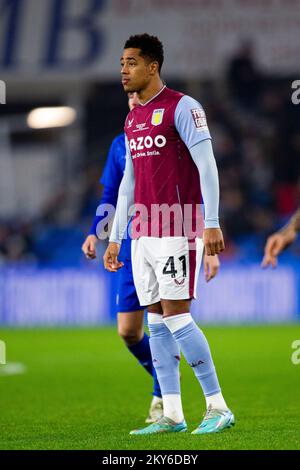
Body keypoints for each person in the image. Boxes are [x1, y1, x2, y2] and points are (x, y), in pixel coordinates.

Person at [103, 34, 234, 435]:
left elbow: (207, 166)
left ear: (152, 66)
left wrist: (211, 221)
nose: (123, 70)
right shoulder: (132, 118)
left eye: (131, 63)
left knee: (177, 317)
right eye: (121, 63)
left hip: (177, 226)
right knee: (156, 321)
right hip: (141, 233)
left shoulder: (183, 107)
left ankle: (218, 407)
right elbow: (128, 183)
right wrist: (115, 235)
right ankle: (172, 414)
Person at [83, 92, 222, 423]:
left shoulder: (176, 116)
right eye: (127, 92)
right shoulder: (123, 140)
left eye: (136, 91)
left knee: (173, 318)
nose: (132, 97)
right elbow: (114, 192)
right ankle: (171, 406)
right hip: (134, 240)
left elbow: (196, 173)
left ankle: (170, 400)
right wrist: (99, 232)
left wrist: (208, 228)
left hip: (173, 230)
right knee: (132, 331)